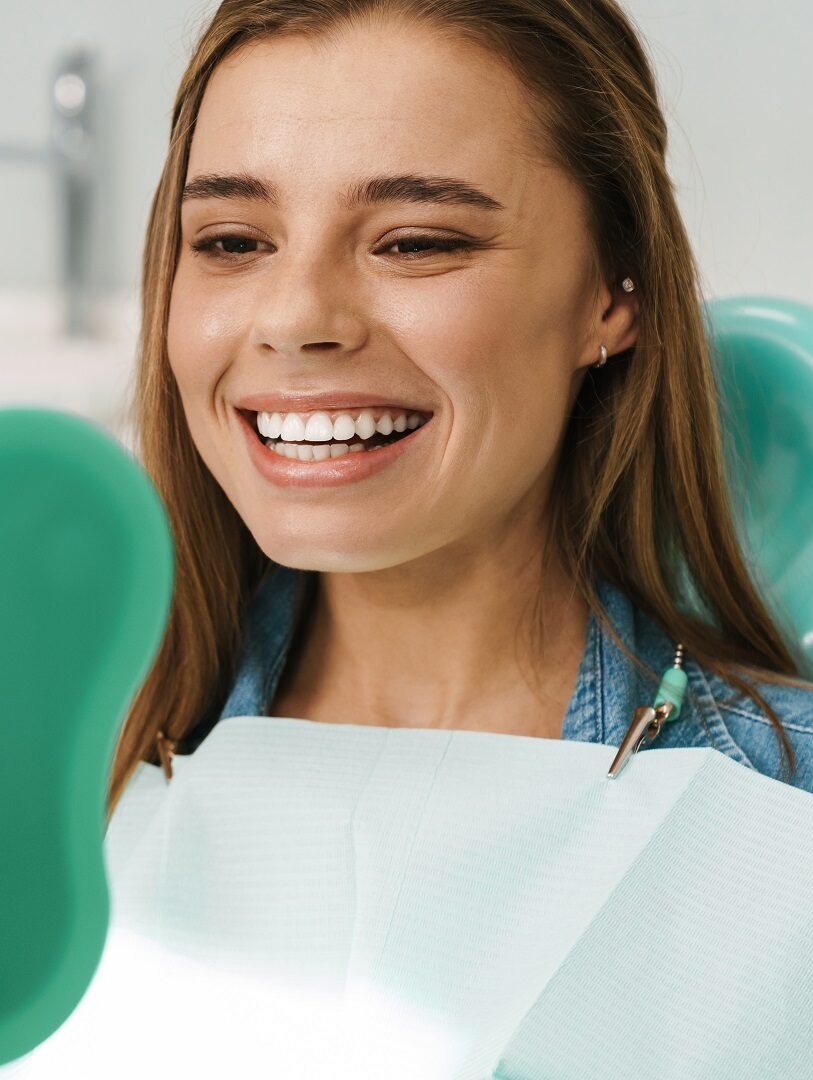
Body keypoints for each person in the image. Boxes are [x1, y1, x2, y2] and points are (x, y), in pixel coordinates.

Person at [106, 0, 813, 825]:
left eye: (415, 243)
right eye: (233, 242)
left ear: (615, 295)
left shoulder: (783, 811)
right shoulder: (60, 768)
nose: (295, 320)